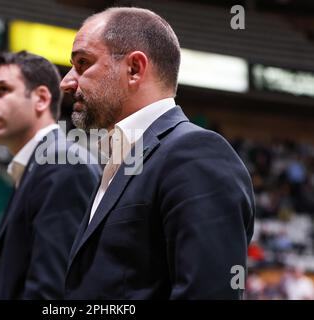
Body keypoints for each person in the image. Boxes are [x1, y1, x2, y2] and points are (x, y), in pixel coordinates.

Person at [60, 7, 255, 299]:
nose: (66, 82)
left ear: (135, 68)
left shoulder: (195, 153)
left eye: (83, 63)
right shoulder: (122, 158)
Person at [0, 51, 100, 299]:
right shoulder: (41, 165)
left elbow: (50, 294)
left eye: (1, 91)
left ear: (41, 99)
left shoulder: (65, 165)